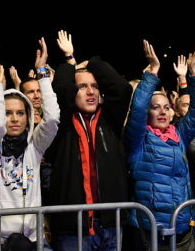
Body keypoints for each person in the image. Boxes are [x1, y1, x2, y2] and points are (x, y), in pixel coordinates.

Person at [48, 30, 132, 250]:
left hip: (111, 226)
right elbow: (61, 90)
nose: (90, 92)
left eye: (95, 86)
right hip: (73, 230)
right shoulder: (61, 123)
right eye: (83, 87)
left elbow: (121, 88)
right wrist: (69, 61)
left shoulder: (110, 120)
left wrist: (92, 63)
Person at [0, 40, 59, 250]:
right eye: (7, 113)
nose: (14, 119)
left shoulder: (35, 146)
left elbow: (52, 119)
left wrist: (42, 73)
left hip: (32, 238)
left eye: (20, 113)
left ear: (28, 116)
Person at [124, 39, 195, 251]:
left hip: (181, 226)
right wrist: (153, 72)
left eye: (166, 107)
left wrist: (194, 72)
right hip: (149, 230)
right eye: (155, 107)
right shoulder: (138, 139)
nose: (162, 111)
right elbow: (138, 106)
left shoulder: (179, 135)